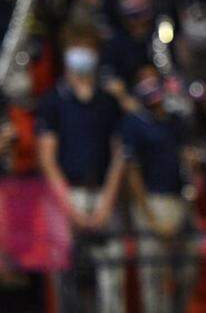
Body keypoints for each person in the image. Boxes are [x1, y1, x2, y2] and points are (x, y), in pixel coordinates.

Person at [36, 23, 126, 313]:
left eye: (88, 48)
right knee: (66, 286)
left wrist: (106, 204)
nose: (82, 54)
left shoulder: (108, 102)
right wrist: (69, 207)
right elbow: (47, 160)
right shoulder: (52, 100)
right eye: (76, 48)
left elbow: (120, 155)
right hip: (66, 198)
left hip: (104, 198)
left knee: (112, 285)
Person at [121, 66, 197, 313]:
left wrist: (189, 200)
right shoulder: (134, 123)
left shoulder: (176, 120)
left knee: (187, 272)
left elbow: (188, 162)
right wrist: (150, 218)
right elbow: (132, 173)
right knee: (153, 277)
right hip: (152, 203)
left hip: (180, 201)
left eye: (153, 82)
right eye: (144, 83)